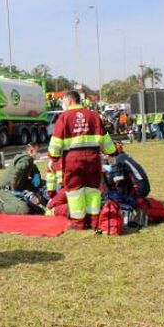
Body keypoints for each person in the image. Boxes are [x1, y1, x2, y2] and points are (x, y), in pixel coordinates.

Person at [47, 91, 117, 229]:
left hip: (73, 160)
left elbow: (56, 141)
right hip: (93, 159)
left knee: (74, 191)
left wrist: (53, 157)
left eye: (64, 101)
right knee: (93, 190)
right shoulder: (94, 116)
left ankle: (78, 223)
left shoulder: (64, 117)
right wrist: (112, 152)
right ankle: (93, 221)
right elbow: (105, 138)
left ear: (69, 101)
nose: (63, 104)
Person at [0, 143, 48, 215]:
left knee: (35, 202)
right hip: (6, 190)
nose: (39, 153)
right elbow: (16, 173)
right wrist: (15, 190)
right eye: (37, 151)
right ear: (31, 151)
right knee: (24, 209)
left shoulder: (28, 161)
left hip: (12, 188)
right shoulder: (26, 160)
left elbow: (36, 181)